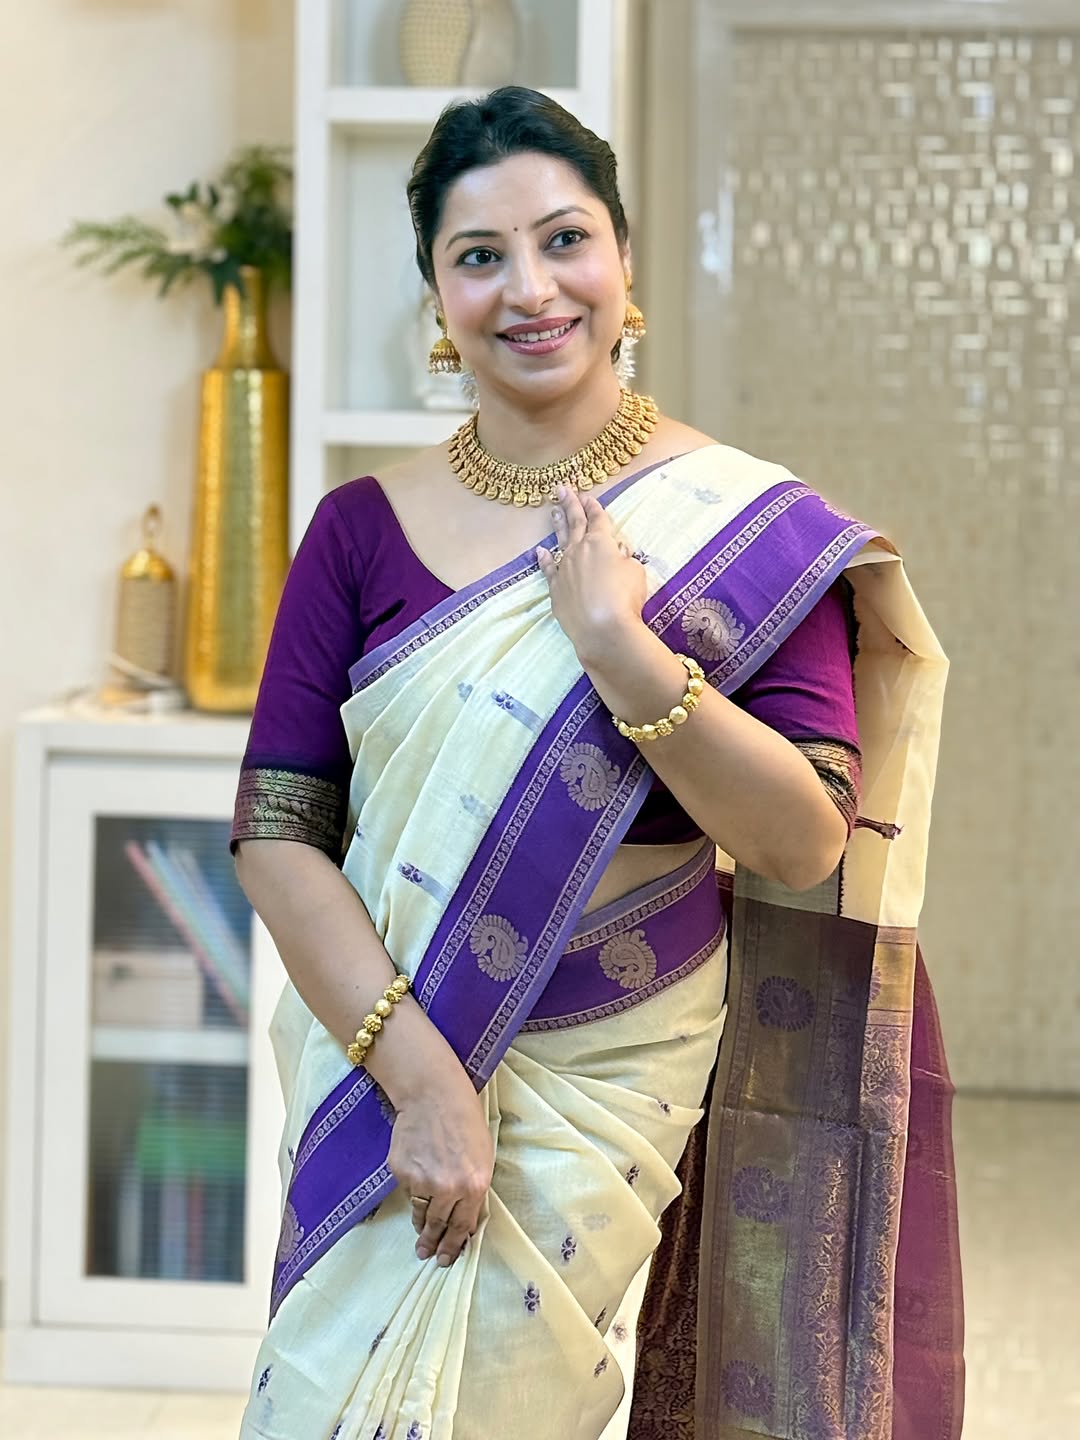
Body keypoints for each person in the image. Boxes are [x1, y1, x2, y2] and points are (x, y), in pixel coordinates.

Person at [231, 87, 962, 1440]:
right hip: (392, 1053)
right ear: (436, 297)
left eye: (564, 240)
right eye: (479, 257)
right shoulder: (357, 529)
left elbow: (808, 838)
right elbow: (279, 830)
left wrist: (623, 650)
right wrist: (424, 1079)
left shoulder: (742, 526)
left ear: (623, 263)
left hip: (611, 1060)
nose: (529, 289)